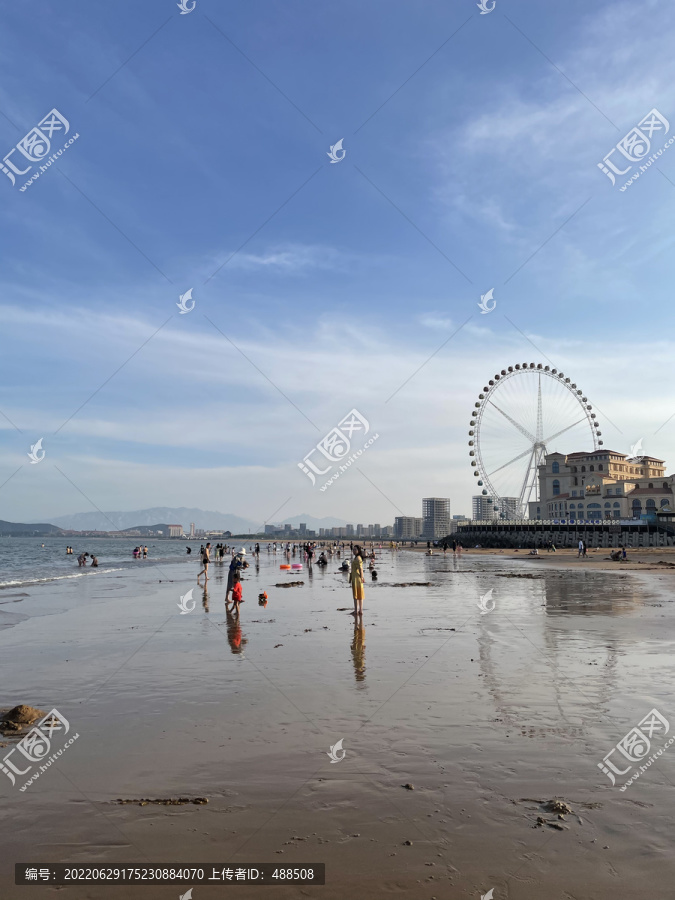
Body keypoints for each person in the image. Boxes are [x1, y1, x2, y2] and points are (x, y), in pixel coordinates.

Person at [350, 547, 365, 618]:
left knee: (357, 595)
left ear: (358, 551)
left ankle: (358, 610)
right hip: (354, 578)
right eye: (353, 549)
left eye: (355, 549)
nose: (353, 551)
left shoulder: (358, 558)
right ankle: (358, 610)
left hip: (357, 579)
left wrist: (362, 578)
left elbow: (361, 569)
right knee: (358, 594)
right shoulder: (356, 558)